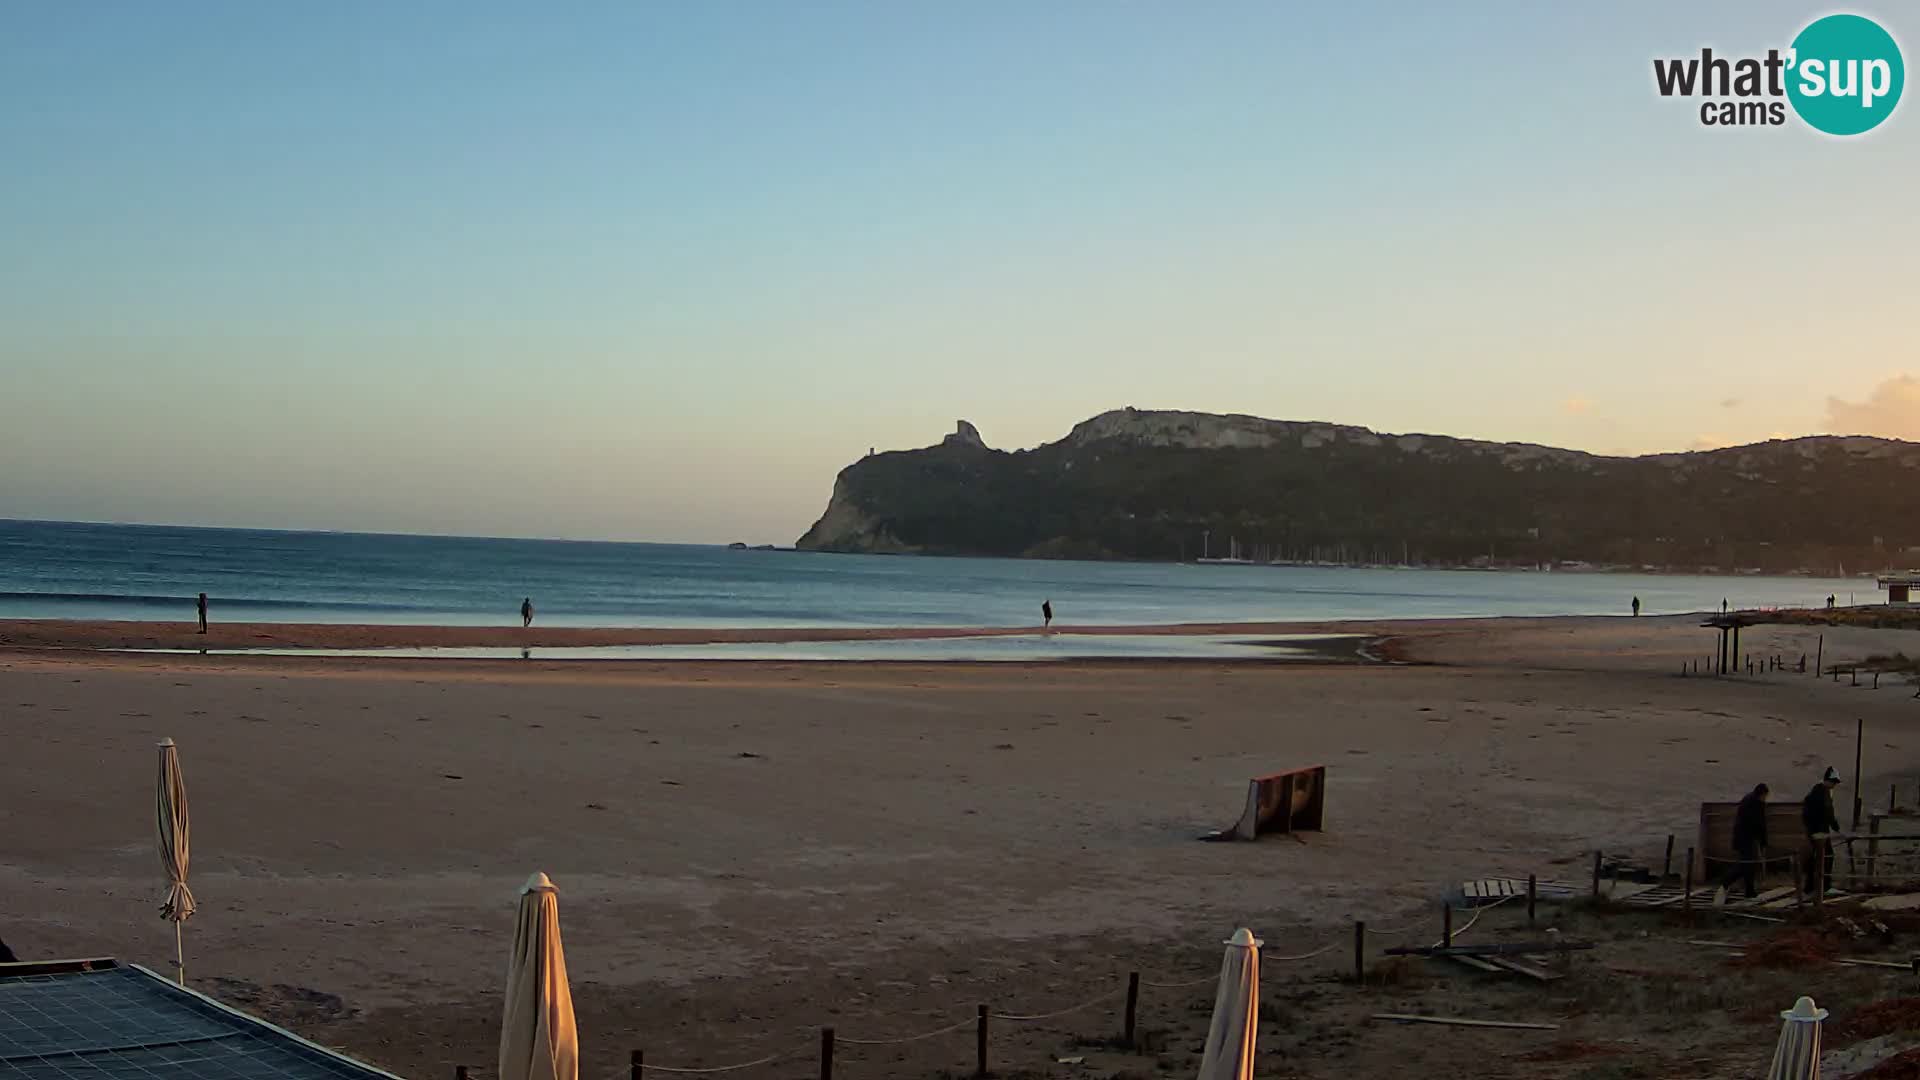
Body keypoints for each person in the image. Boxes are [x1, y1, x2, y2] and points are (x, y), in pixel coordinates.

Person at [1717, 783, 1769, 899]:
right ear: (1761, 794)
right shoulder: (1755, 803)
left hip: (1743, 837)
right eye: (1765, 796)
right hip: (1745, 838)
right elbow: (1759, 824)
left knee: (1748, 864)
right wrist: (1763, 842)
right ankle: (1727, 880)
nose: (1765, 798)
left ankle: (1749, 891)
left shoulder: (1749, 799)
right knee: (1746, 864)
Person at [1802, 766, 1842, 895]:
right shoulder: (1821, 793)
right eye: (1834, 782)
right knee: (1826, 857)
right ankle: (1824, 886)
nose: (1834, 785)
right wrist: (1835, 827)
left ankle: (1810, 887)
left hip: (1816, 831)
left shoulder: (1817, 791)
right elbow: (1828, 813)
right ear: (1828, 780)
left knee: (1817, 858)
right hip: (1820, 832)